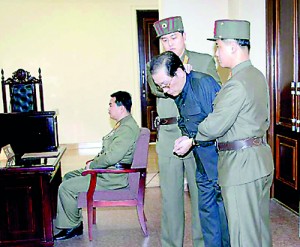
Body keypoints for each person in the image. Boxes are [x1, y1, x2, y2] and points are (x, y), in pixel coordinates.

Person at [174, 19, 275, 247]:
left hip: (241, 167)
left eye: (218, 46)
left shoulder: (236, 84)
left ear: (232, 47)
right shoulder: (256, 76)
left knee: (243, 236)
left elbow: (213, 126)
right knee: (260, 230)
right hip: (259, 160)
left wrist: (193, 138)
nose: (216, 53)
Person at [147, 16, 220, 247]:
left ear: (184, 37)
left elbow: (216, 94)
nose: (170, 44)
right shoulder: (156, 66)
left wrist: (191, 76)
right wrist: (176, 73)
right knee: (170, 197)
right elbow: (155, 87)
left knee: (201, 195)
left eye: (174, 38)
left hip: (195, 136)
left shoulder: (203, 60)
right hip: (169, 134)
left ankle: (202, 243)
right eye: (164, 40)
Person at [54, 91, 140, 241]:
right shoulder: (123, 125)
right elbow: (109, 153)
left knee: (66, 187)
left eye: (111, 104)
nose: (108, 108)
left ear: (121, 107)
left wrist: (93, 165)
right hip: (106, 171)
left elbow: (112, 157)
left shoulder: (127, 129)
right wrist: (92, 163)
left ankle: (73, 226)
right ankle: (73, 218)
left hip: (111, 177)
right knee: (67, 176)